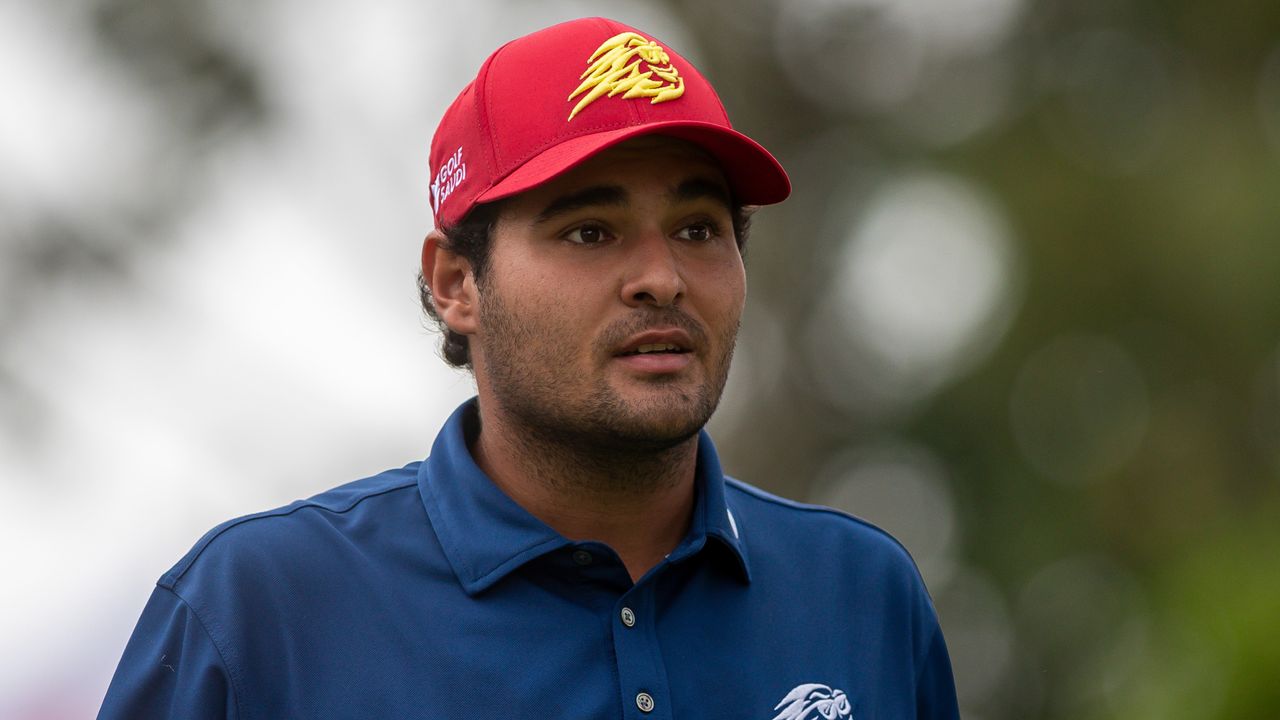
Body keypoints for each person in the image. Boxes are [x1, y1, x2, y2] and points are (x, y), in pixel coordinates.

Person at [99, 17, 959, 719]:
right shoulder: (259, 611)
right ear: (456, 285)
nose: (661, 277)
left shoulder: (861, 594)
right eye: (590, 231)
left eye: (698, 228)